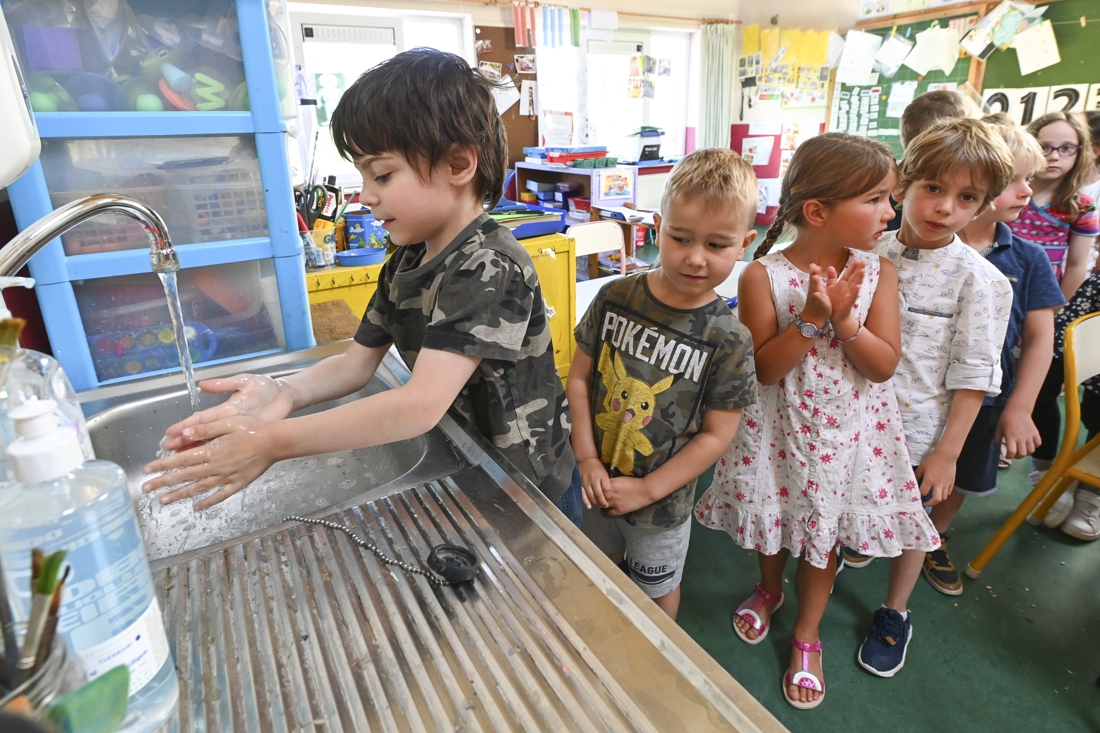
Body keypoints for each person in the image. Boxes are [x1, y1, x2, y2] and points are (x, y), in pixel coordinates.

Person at [140, 49, 583, 527]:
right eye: (362, 175)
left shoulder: (489, 266)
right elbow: (355, 363)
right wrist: (283, 393)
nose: (366, 194)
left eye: (383, 175)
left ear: (458, 165)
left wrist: (271, 441)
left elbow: (419, 406)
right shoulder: (408, 259)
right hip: (475, 467)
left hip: (528, 487)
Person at [695, 133, 939, 710]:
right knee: (776, 517)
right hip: (778, 429)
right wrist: (809, 319)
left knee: (822, 535)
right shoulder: (764, 276)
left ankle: (808, 631)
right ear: (817, 211)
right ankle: (769, 588)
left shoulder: (878, 273)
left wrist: (847, 321)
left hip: (847, 435)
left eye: (890, 198)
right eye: (877, 199)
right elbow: (766, 371)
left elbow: (882, 367)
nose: (890, 211)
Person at [853, 118, 1015, 677]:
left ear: (983, 206)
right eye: (933, 188)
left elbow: (974, 375)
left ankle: (895, 611)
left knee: (913, 526)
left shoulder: (984, 282)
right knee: (847, 505)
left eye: (965, 197)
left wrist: (947, 452)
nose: (944, 207)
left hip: (919, 432)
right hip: (850, 420)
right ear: (903, 185)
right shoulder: (867, 251)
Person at [569, 149, 758, 621]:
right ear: (658, 227)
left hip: (662, 507)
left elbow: (718, 434)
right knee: (595, 566)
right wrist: (587, 458)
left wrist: (650, 489)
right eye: (680, 238)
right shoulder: (614, 295)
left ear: (744, 244)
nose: (695, 258)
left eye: (717, 245)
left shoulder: (730, 339)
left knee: (655, 591)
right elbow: (577, 378)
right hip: (592, 481)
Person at [920, 120, 1064, 595]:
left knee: (961, 473)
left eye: (1030, 180)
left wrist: (1021, 407)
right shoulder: (924, 248)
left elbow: (1041, 338)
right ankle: (885, 525)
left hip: (986, 400)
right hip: (919, 392)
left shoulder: (1028, 258)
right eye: (1016, 181)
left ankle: (933, 537)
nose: (1028, 192)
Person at [1028, 269, 1100, 539]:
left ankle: (1090, 489)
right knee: (1042, 386)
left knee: (1097, 414)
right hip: (1092, 305)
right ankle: (1046, 472)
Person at [1010, 112, 1098, 299]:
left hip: (1042, 296)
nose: (1054, 157)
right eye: (1044, 148)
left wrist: (1058, 311)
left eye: (1066, 148)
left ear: (1080, 151)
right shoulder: (1007, 194)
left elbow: (1077, 265)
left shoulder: (1081, 206)